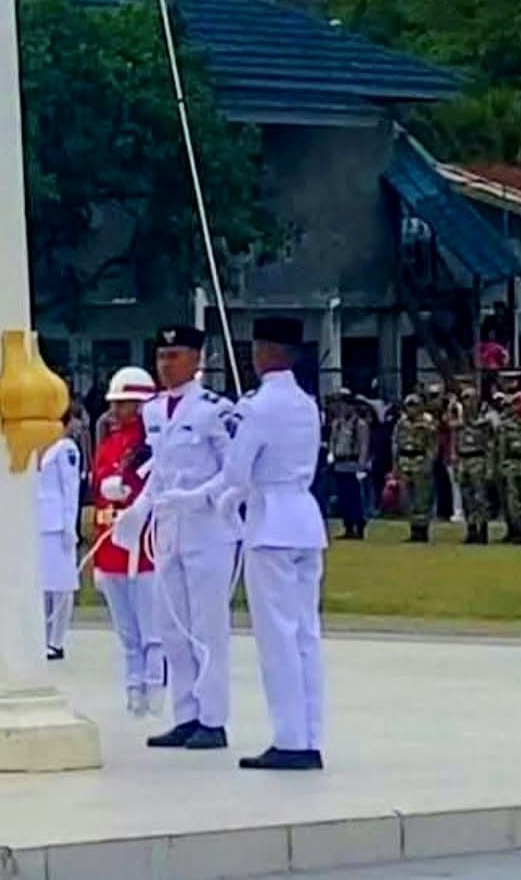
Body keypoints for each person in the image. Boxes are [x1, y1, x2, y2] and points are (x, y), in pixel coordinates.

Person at [113, 325, 236, 752]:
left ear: (197, 359)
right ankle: (185, 714)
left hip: (208, 528)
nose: (166, 365)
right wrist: (139, 510)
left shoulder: (215, 410)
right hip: (168, 529)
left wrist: (199, 497)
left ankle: (213, 717)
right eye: (162, 356)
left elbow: (234, 471)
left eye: (176, 356)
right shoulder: (153, 411)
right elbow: (160, 473)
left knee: (207, 625)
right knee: (172, 626)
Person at [215, 318, 328, 771]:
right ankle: (309, 734)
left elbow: (237, 473)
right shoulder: (306, 404)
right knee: (305, 634)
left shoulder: (258, 407)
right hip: (305, 517)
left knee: (277, 636)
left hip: (271, 523)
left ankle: (290, 740)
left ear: (265, 352)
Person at [91, 366, 165, 718]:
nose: (116, 411)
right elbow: (102, 489)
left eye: (124, 404)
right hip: (112, 546)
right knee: (126, 631)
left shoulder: (152, 444)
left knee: (151, 629)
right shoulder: (109, 443)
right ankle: (134, 688)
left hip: (144, 548)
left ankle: (154, 688)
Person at [38, 410, 82, 662]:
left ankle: (57, 640)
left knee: (62, 587)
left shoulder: (65, 448)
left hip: (57, 524)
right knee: (44, 586)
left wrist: (69, 526)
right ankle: (42, 638)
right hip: (40, 524)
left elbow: (70, 487)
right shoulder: (36, 446)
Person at [454, 386, 496, 544]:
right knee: (466, 497)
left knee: (480, 497)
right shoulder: (460, 422)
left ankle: (483, 529)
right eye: (465, 398)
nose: (468, 402)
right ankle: (470, 528)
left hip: (478, 460)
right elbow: (455, 442)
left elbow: (490, 446)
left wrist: (490, 467)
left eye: (470, 398)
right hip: (463, 460)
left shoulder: (484, 422)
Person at [394, 394, 438, 543]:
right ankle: (413, 528)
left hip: (420, 460)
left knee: (422, 499)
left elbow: (432, 446)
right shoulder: (401, 423)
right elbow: (396, 444)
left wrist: (429, 463)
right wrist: (396, 466)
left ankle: (422, 530)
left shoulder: (427, 423)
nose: (411, 409)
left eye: (414, 405)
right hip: (405, 460)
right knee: (406, 498)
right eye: (409, 406)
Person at [326, 392, 370, 540]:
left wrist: (361, 467)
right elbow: (333, 441)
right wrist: (331, 456)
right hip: (340, 464)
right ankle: (348, 526)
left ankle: (359, 525)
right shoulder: (337, 424)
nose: (342, 408)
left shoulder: (360, 424)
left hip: (353, 463)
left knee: (355, 498)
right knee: (344, 498)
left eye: (345, 404)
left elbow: (364, 446)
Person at [498, 393, 521, 544]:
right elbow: (502, 447)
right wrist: (502, 464)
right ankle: (519, 531)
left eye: (520, 403)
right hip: (512, 465)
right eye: (515, 404)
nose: (517, 407)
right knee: (513, 501)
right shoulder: (507, 425)